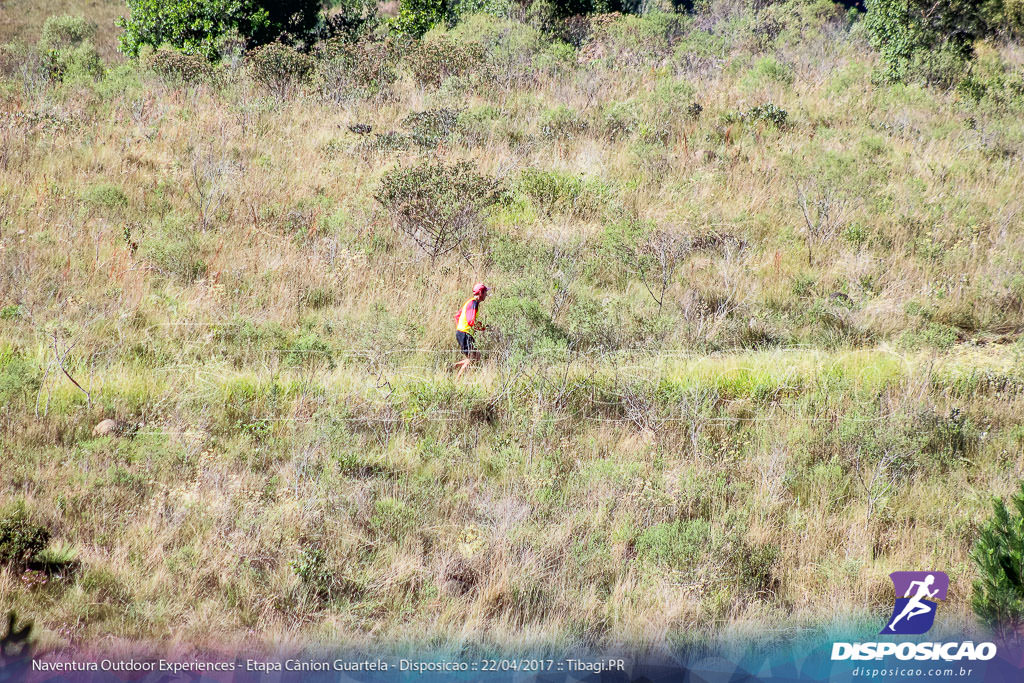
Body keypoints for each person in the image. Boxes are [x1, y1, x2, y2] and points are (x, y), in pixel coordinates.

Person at [452, 283, 488, 378]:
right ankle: (457, 380)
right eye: (485, 293)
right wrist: (483, 327)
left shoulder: (469, 302)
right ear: (480, 293)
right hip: (465, 334)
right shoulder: (474, 303)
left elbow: (457, 316)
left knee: (476, 357)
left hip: (462, 332)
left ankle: (451, 367)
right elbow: (471, 321)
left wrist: (460, 328)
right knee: (472, 358)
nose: (486, 295)